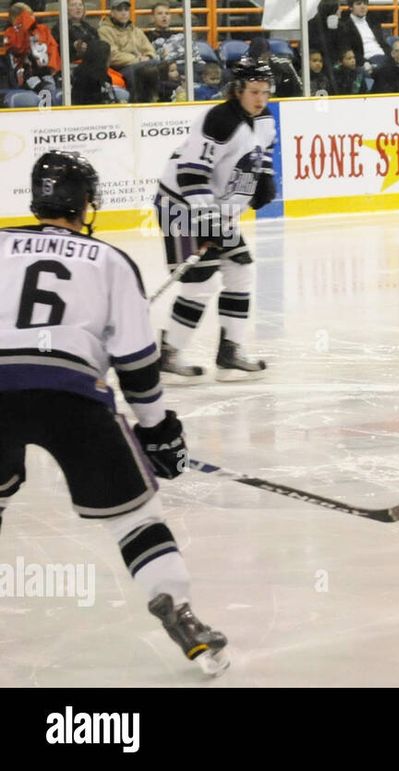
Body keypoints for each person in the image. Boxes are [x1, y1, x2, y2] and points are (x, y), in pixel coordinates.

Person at [0, 151, 229, 676]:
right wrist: (159, 433)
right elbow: (137, 365)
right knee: (133, 517)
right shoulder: (109, 260)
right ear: (87, 204)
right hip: (71, 394)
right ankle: (181, 615)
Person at [155, 59, 277, 383]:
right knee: (201, 283)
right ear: (237, 90)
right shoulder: (218, 120)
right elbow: (191, 172)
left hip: (215, 210)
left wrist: (265, 176)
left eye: (265, 92)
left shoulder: (263, 118)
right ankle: (169, 354)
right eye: (254, 91)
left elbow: (263, 150)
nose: (260, 99)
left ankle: (230, 352)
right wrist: (207, 220)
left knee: (241, 270)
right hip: (179, 206)